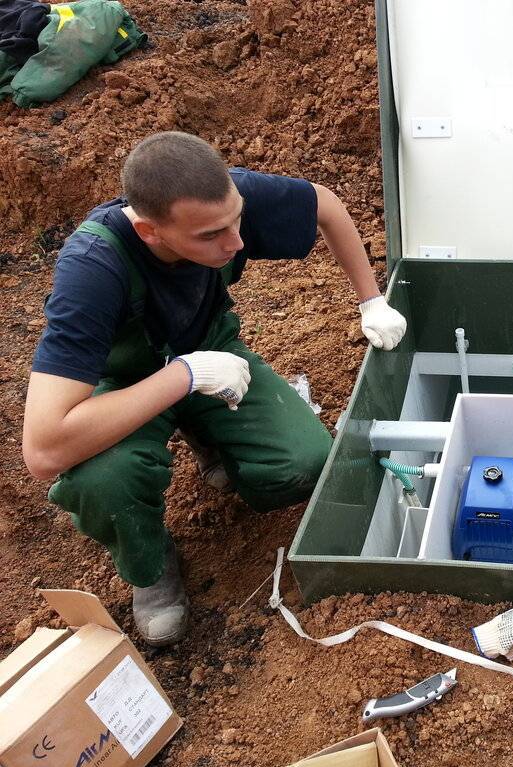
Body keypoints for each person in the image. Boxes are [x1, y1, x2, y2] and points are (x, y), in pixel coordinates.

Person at [22, 131, 407, 646]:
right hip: (124, 383)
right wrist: (184, 375)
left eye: (237, 219)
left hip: (214, 351)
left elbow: (326, 205)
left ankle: (215, 439)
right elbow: (44, 449)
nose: (236, 243)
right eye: (210, 236)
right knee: (105, 482)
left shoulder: (223, 201)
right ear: (149, 231)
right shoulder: (93, 269)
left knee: (309, 464)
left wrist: (370, 301)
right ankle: (149, 563)